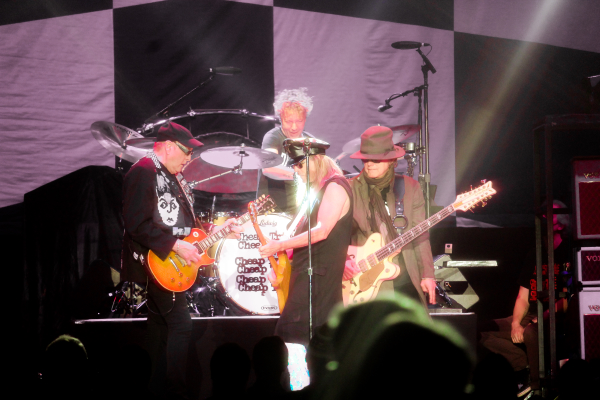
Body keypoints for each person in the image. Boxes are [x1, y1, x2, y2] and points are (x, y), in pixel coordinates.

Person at [121, 122, 242, 399]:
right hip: (156, 262)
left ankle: (150, 388)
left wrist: (220, 230)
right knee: (181, 325)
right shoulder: (142, 172)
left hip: (169, 262)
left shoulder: (174, 176)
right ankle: (176, 391)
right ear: (168, 146)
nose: (190, 158)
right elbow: (135, 223)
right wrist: (175, 246)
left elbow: (189, 226)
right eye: (186, 152)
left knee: (159, 328)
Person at [258, 138, 353, 347]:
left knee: (294, 338)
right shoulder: (316, 191)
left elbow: (322, 231)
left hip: (318, 280)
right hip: (307, 275)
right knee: (293, 338)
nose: (296, 170)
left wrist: (279, 246)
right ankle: (301, 379)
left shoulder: (335, 187)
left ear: (316, 160)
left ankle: (303, 379)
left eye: (300, 164)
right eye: (293, 165)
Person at [479, 201, 571, 397]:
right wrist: (514, 323)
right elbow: (523, 295)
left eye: (550, 215)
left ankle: (536, 386)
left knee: (530, 331)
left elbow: (569, 298)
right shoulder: (535, 253)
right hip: (532, 313)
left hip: (555, 316)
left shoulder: (568, 252)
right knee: (481, 329)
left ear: (561, 225)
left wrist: (545, 316)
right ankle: (524, 367)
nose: (544, 218)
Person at [343, 126, 436, 307]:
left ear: (391, 160)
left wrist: (427, 274)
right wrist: (343, 263)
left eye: (376, 159)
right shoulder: (350, 189)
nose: (369, 164)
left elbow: (421, 235)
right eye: (366, 159)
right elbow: (335, 236)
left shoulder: (410, 188)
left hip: (404, 275)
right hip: (363, 277)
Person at [257, 87, 315, 214]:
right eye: (288, 121)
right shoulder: (273, 137)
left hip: (300, 212)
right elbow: (269, 169)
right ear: (280, 118)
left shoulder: (311, 141)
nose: (294, 127)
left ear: (305, 118)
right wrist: (299, 174)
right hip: (271, 211)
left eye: (299, 121)